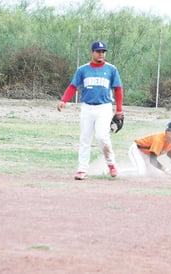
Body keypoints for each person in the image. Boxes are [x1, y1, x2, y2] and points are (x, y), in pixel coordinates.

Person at [57, 41, 124, 180]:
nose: (101, 54)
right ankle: (82, 169)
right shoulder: (83, 69)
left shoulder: (111, 69)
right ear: (92, 52)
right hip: (87, 107)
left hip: (104, 107)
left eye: (103, 51)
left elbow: (118, 89)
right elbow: (73, 86)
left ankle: (111, 164)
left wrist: (119, 110)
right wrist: (64, 100)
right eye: (98, 51)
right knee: (85, 139)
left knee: (102, 137)